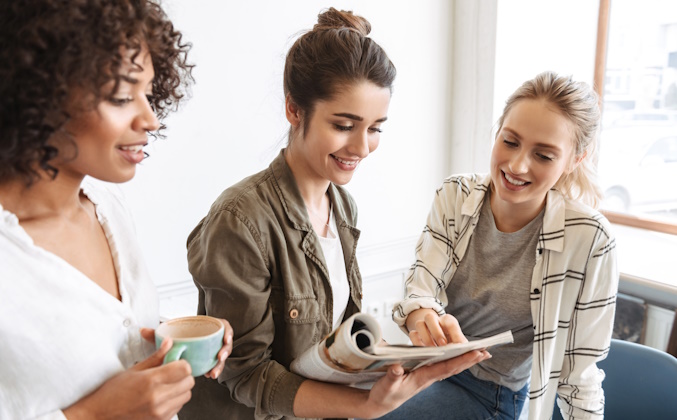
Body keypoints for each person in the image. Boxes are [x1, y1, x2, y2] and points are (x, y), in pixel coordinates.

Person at [179, 8, 489, 420]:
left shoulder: (341, 206)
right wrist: (364, 406)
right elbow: (247, 375)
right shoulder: (240, 221)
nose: (362, 147)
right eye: (345, 125)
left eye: (376, 128)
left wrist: (410, 348)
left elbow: (332, 340)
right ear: (294, 110)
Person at [0, 1, 233, 419]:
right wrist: (92, 414)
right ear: (39, 92)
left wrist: (180, 337)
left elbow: (109, 334)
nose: (151, 119)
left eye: (148, 92)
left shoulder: (106, 207)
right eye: (123, 96)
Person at [381, 71, 619, 420]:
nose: (517, 165)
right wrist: (424, 315)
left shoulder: (590, 238)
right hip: (426, 368)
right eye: (510, 142)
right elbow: (422, 285)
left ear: (575, 160)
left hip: (489, 394)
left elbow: (580, 373)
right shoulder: (456, 194)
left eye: (544, 155)